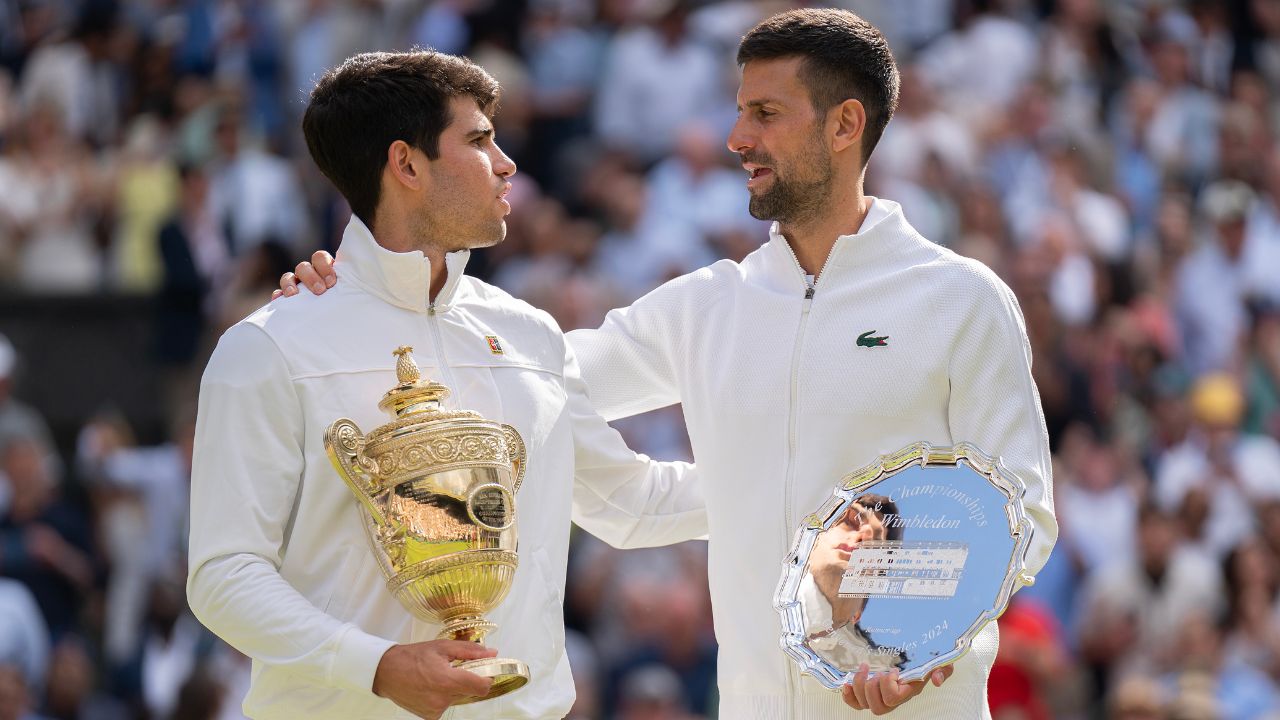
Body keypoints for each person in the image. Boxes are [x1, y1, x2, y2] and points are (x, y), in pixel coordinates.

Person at [283, 9, 1058, 717]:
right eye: (738, 110)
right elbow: (515, 380)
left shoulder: (961, 300)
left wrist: (912, 642)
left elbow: (1020, 512)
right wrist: (364, 304)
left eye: (765, 113)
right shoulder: (704, 306)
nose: (736, 138)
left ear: (845, 124)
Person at [188, 50, 706, 720]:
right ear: (406, 165)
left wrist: (809, 483)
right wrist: (376, 669)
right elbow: (224, 577)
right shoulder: (266, 348)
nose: (507, 163)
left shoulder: (529, 333)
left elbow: (628, 501)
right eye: (480, 139)